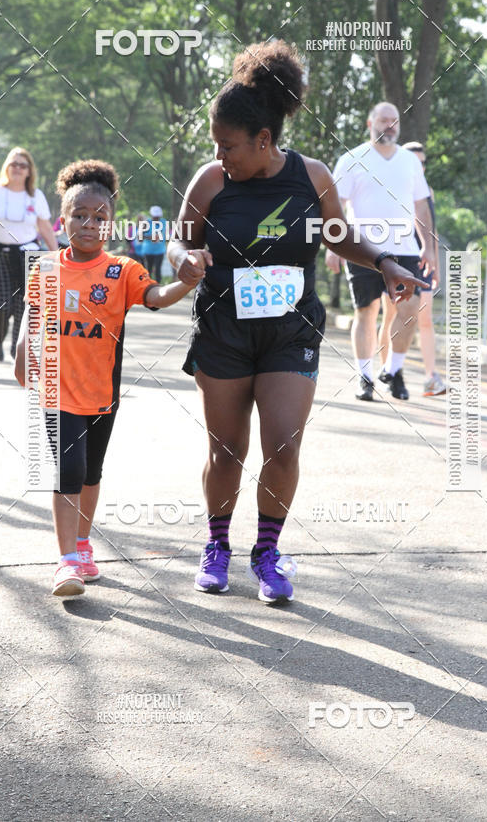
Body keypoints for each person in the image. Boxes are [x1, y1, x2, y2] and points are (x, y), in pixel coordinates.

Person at [168, 42, 428, 605]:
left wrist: (385, 263)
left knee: (283, 446)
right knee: (226, 450)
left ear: (264, 139)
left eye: (229, 144)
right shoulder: (211, 182)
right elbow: (179, 243)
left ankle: (267, 552)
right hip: (224, 330)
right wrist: (183, 261)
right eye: (216, 144)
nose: (220, 154)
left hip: (291, 330)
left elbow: (340, 237)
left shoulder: (312, 177)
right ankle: (217, 547)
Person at [14, 160, 197, 598]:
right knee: (68, 471)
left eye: (100, 218)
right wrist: (23, 352)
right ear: (63, 220)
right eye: (80, 216)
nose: (90, 224)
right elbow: (31, 317)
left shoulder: (123, 271)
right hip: (57, 390)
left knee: (91, 473)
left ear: (111, 224)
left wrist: (185, 283)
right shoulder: (45, 268)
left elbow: (155, 296)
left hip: (101, 392)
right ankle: (66, 563)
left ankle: (82, 543)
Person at [326, 103, 435, 401]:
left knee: (410, 308)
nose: (390, 125)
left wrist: (428, 246)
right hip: (363, 249)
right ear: (370, 122)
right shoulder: (351, 159)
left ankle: (393, 370)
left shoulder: (409, 162)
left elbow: (421, 206)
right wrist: (334, 246)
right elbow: (335, 207)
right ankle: (365, 378)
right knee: (366, 312)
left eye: (394, 120)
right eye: (383, 119)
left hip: (405, 249)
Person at [0, 147, 57, 361]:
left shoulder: (35, 196)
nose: (18, 169)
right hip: (0, 254)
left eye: (23, 165)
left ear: (29, 171)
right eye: (14, 164)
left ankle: (16, 347)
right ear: (7, 167)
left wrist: (57, 257)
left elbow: (45, 227)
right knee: (3, 303)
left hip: (28, 255)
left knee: (24, 305)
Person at [378, 142, 446, 397]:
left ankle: (431, 377)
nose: (420, 165)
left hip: (422, 259)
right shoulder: (394, 186)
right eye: (415, 160)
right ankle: (391, 372)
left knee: (423, 317)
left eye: (423, 162)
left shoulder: (427, 191)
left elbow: (433, 229)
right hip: (398, 257)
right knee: (392, 316)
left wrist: (436, 263)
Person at [140, 205, 167, 281]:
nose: (156, 218)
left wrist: (156, 237)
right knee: (148, 269)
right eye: (155, 217)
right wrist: (150, 237)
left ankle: (158, 287)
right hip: (148, 251)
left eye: (158, 217)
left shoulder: (163, 222)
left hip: (160, 251)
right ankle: (147, 286)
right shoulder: (146, 223)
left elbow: (162, 233)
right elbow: (140, 236)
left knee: (158, 269)